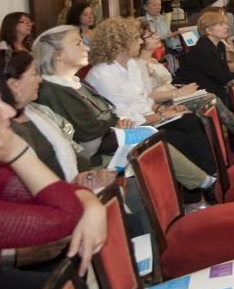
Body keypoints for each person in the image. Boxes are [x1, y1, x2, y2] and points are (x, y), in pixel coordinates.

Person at [0, 62, 105, 289]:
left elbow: (52, 193)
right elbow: (63, 217)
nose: (9, 111)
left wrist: (91, 202)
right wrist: (17, 153)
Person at [34, 25, 216, 201]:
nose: (85, 47)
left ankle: (203, 183)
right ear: (58, 54)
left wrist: (122, 121)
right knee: (154, 139)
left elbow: (109, 111)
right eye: (78, 44)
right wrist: (118, 124)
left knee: (184, 124)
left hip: (114, 133)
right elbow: (88, 130)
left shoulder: (76, 82)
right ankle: (201, 185)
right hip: (96, 151)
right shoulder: (53, 90)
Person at [84, 18, 217, 180]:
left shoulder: (131, 64)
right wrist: (160, 116)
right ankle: (203, 185)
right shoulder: (103, 74)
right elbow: (123, 116)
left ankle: (210, 176)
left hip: (149, 117)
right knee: (179, 139)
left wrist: (162, 110)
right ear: (119, 44)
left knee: (190, 120)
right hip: (132, 128)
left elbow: (144, 98)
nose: (141, 41)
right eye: (136, 38)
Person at [0, 50, 89, 182]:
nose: (40, 79)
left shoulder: (37, 111)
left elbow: (72, 147)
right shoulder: (4, 132)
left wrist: (88, 177)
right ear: (14, 85)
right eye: (34, 74)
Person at [137, 20, 234, 131]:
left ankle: (222, 136)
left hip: (175, 96)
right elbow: (147, 95)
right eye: (151, 35)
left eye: (155, 33)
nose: (157, 36)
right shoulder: (138, 64)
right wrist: (178, 93)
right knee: (210, 99)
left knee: (208, 96)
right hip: (165, 102)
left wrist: (182, 90)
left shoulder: (153, 60)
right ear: (140, 42)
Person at [175, 11, 234, 109]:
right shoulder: (203, 49)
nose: (226, 27)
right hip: (195, 90)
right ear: (208, 30)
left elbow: (224, 72)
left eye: (225, 24)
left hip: (211, 85)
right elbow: (223, 78)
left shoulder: (219, 45)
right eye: (221, 24)